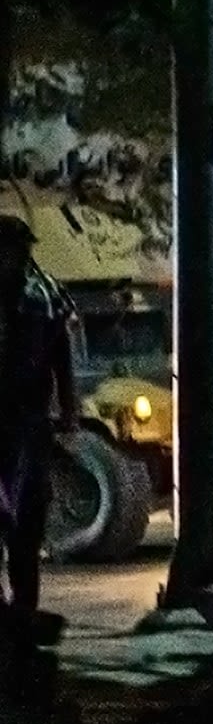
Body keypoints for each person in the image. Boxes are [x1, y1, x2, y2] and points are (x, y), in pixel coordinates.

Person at [0, 215, 77, 676]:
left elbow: (61, 358)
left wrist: (68, 408)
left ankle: (24, 610)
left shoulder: (44, 296)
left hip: (27, 421)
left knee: (26, 522)